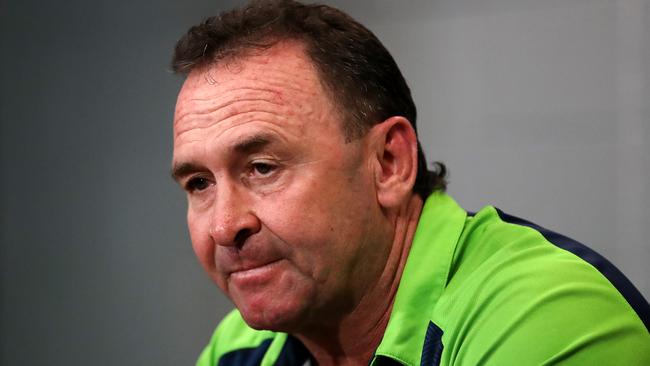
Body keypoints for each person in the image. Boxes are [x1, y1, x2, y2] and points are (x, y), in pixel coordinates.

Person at [170, 1, 650, 365]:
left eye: (262, 167)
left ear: (389, 163)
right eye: (198, 183)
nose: (224, 226)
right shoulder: (241, 347)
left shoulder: (547, 314)